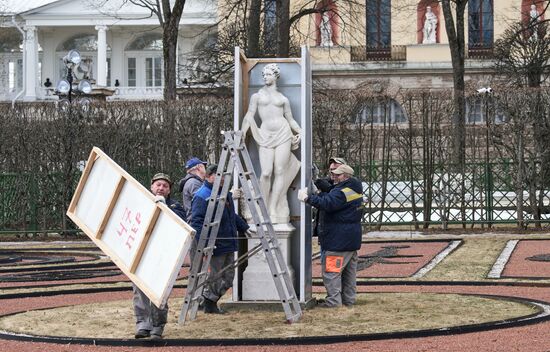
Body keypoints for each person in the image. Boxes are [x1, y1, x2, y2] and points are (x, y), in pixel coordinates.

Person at [240, 63, 302, 224]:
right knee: (266, 173)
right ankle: (264, 207)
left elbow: (290, 119)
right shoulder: (257, 96)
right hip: (265, 135)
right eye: (264, 74)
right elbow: (249, 115)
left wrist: (300, 131)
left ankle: (274, 208)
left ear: (275, 76)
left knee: (280, 171)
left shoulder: (283, 99)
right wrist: (242, 132)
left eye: (268, 74)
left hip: (283, 133)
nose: (265, 77)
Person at [298, 164, 363, 308]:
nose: (333, 176)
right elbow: (332, 198)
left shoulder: (342, 192)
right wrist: (318, 193)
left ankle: (333, 303)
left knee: (331, 273)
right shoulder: (354, 188)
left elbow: (328, 203)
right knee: (349, 275)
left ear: (346, 176)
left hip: (337, 242)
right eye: (333, 174)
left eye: (338, 174)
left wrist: (308, 198)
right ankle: (348, 301)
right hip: (350, 241)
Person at [190, 164, 250, 314]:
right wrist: (206, 242)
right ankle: (209, 302)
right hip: (215, 243)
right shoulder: (202, 195)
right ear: (208, 176)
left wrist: (244, 227)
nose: (222, 178)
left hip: (228, 241)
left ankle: (208, 298)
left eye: (224, 175)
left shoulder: (225, 194)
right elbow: (196, 222)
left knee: (229, 276)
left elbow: (232, 216)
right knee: (216, 274)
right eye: (217, 175)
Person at [133, 173, 186, 340]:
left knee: (159, 293)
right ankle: (143, 324)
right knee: (139, 291)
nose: (161, 188)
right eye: (158, 185)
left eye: (165, 186)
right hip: (142, 255)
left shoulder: (176, 206)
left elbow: (182, 226)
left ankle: (158, 326)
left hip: (164, 257)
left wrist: (165, 208)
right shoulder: (141, 203)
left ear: (169, 190)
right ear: (151, 186)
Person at [178, 157, 207, 222]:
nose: (206, 169)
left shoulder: (194, 182)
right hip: (197, 223)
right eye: (204, 167)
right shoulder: (193, 183)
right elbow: (204, 201)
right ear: (199, 168)